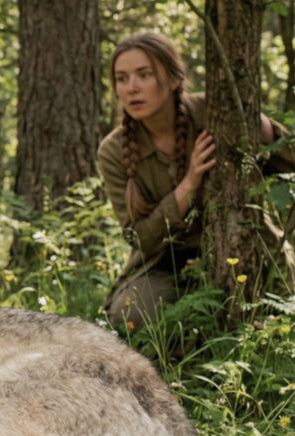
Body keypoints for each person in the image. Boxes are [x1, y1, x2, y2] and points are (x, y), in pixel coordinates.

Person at [97, 32, 295, 330]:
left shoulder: (213, 112)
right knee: (132, 317)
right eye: (121, 79)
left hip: (245, 247)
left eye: (144, 75)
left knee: (280, 317)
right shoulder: (113, 151)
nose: (131, 88)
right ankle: (201, 339)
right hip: (166, 262)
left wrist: (264, 128)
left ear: (173, 78)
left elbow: (289, 161)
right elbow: (139, 238)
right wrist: (187, 186)